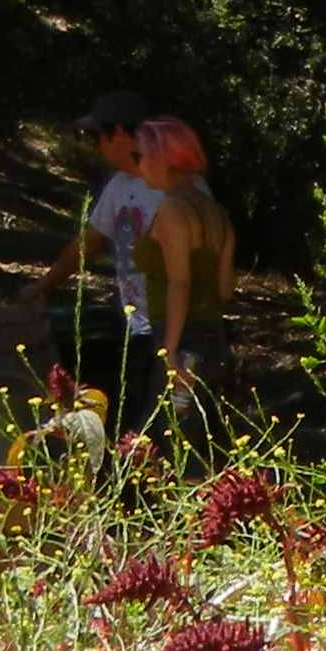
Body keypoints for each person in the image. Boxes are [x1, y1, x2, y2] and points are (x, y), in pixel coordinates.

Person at [38, 88, 164, 428]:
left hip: (177, 332)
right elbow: (89, 242)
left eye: (98, 135)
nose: (96, 145)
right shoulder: (120, 186)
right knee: (136, 427)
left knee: (164, 429)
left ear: (121, 134)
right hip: (140, 330)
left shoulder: (177, 188)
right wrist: (45, 287)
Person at [132, 116, 237, 443]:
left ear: (164, 159)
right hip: (214, 338)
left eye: (143, 156)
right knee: (200, 441)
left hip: (181, 343)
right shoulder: (217, 213)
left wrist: (171, 349)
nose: (139, 164)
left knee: (161, 443)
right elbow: (225, 288)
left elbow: (180, 282)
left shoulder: (173, 211)